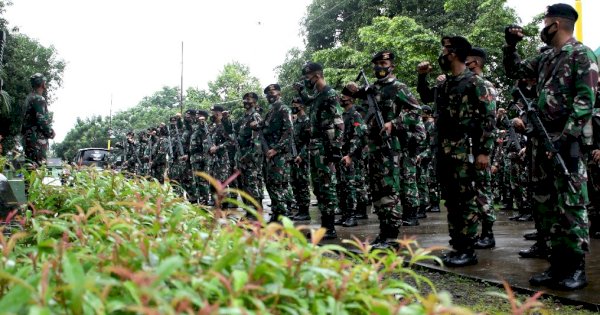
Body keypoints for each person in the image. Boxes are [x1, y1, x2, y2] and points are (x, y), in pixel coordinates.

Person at [504, 3, 598, 290]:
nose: (542, 27)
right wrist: (510, 46)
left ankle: (575, 268)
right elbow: (515, 71)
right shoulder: (546, 58)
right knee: (546, 206)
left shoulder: (581, 54)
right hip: (542, 141)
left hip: (565, 143)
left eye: (545, 22)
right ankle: (557, 265)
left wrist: (566, 136)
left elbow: (586, 100)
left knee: (570, 206)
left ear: (555, 24)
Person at [418, 36, 496, 266]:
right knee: (452, 200)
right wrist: (422, 77)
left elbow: (488, 119)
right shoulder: (445, 84)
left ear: (454, 52)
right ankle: (458, 245)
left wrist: (484, 151)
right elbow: (424, 98)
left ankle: (468, 249)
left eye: (445, 50)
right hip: (445, 151)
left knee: (467, 199)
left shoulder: (475, 83)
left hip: (466, 150)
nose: (442, 54)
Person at [365, 50, 421, 248]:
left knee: (389, 189)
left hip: (392, 148)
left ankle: (392, 236)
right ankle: (383, 232)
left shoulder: (399, 88)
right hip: (374, 148)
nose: (379, 67)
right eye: (376, 63)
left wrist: (394, 123)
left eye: (383, 62)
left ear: (392, 66)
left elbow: (416, 112)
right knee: (377, 191)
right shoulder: (371, 90)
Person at [295, 62, 344, 239]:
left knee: (326, 186)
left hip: (326, 146)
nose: (305, 81)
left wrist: (337, 147)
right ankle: (324, 226)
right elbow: (308, 101)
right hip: (316, 147)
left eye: (307, 77)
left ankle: (330, 228)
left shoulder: (330, 94)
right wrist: (300, 91)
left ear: (316, 76)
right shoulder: (318, 94)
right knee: (317, 186)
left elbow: (339, 122)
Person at [466, 47, 498, 249]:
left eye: (467, 61)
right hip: (468, 147)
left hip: (479, 148)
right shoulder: (469, 85)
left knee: (482, 189)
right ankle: (476, 231)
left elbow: (489, 121)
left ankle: (488, 233)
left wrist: (484, 151)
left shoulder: (484, 86)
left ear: (475, 63)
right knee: (471, 191)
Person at [258, 84, 293, 222]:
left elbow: (288, 131)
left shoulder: (283, 109)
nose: (269, 96)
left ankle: (282, 216)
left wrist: (276, 149)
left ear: (279, 93)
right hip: (269, 153)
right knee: (271, 183)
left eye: (272, 92)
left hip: (279, 154)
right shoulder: (271, 111)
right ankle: (277, 213)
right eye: (267, 94)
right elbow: (265, 127)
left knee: (279, 184)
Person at [335, 82, 367, 227]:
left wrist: (350, 155)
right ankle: (345, 214)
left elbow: (358, 136)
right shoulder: (344, 115)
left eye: (344, 96)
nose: (342, 98)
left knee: (350, 186)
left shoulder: (355, 114)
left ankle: (352, 216)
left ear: (352, 99)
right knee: (342, 186)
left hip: (351, 156)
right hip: (343, 155)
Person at [235, 92, 264, 217]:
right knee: (245, 185)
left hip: (252, 157)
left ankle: (256, 213)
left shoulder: (255, 116)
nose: (246, 101)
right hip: (242, 155)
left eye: (249, 99)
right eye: (245, 99)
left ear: (255, 102)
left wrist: (249, 156)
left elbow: (258, 139)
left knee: (253, 184)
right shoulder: (243, 118)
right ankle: (249, 211)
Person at [22, 73, 55, 167]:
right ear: (42, 83)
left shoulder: (29, 98)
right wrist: (50, 132)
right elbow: (41, 120)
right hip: (37, 141)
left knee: (29, 167)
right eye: (45, 81)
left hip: (28, 139)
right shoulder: (39, 99)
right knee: (37, 168)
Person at [289, 97, 312, 221]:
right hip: (294, 156)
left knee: (302, 184)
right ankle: (300, 209)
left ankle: (305, 211)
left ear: (302, 106)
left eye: (295, 105)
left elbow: (309, 141)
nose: (293, 107)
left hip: (302, 157)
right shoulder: (296, 122)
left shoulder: (306, 121)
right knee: (295, 183)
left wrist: (301, 155)